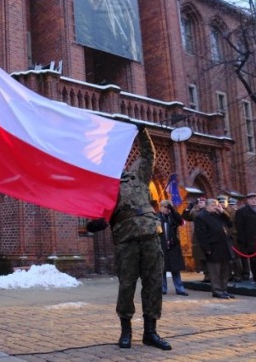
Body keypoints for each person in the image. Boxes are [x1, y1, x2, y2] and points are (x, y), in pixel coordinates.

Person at [86, 126, 171, 351]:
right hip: (126, 239)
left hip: (151, 235)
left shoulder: (138, 177)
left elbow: (148, 155)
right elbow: (97, 216)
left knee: (153, 283)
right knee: (127, 286)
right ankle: (126, 331)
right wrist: (95, 224)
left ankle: (151, 332)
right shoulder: (104, 186)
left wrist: (142, 132)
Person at [194, 198, 235, 299]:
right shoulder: (201, 217)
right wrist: (206, 248)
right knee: (215, 271)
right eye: (213, 205)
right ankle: (217, 291)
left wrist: (223, 213)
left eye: (216, 205)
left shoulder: (219, 215)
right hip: (213, 247)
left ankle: (224, 289)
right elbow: (201, 235)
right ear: (207, 206)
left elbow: (230, 224)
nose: (215, 207)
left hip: (224, 246)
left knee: (225, 271)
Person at [157, 200, 188, 296]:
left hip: (173, 246)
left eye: (168, 207)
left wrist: (173, 211)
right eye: (165, 207)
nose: (166, 209)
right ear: (160, 207)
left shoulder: (173, 217)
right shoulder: (157, 217)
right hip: (161, 245)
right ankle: (163, 288)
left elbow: (182, 222)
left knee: (175, 269)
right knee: (162, 269)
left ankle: (180, 289)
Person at [183, 196, 210, 282]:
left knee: (208, 257)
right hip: (198, 237)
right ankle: (206, 275)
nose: (199, 204)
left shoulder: (208, 212)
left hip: (208, 236)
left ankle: (210, 275)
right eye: (198, 203)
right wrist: (189, 207)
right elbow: (186, 217)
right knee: (201, 256)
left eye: (201, 203)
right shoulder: (196, 212)